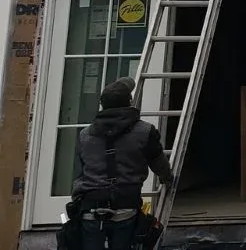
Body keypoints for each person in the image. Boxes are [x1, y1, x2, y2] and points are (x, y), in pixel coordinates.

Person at [70, 77, 174, 249]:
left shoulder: (85, 135)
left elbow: (81, 172)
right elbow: (159, 163)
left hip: (90, 210)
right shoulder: (145, 131)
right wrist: (167, 179)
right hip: (126, 208)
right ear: (129, 103)